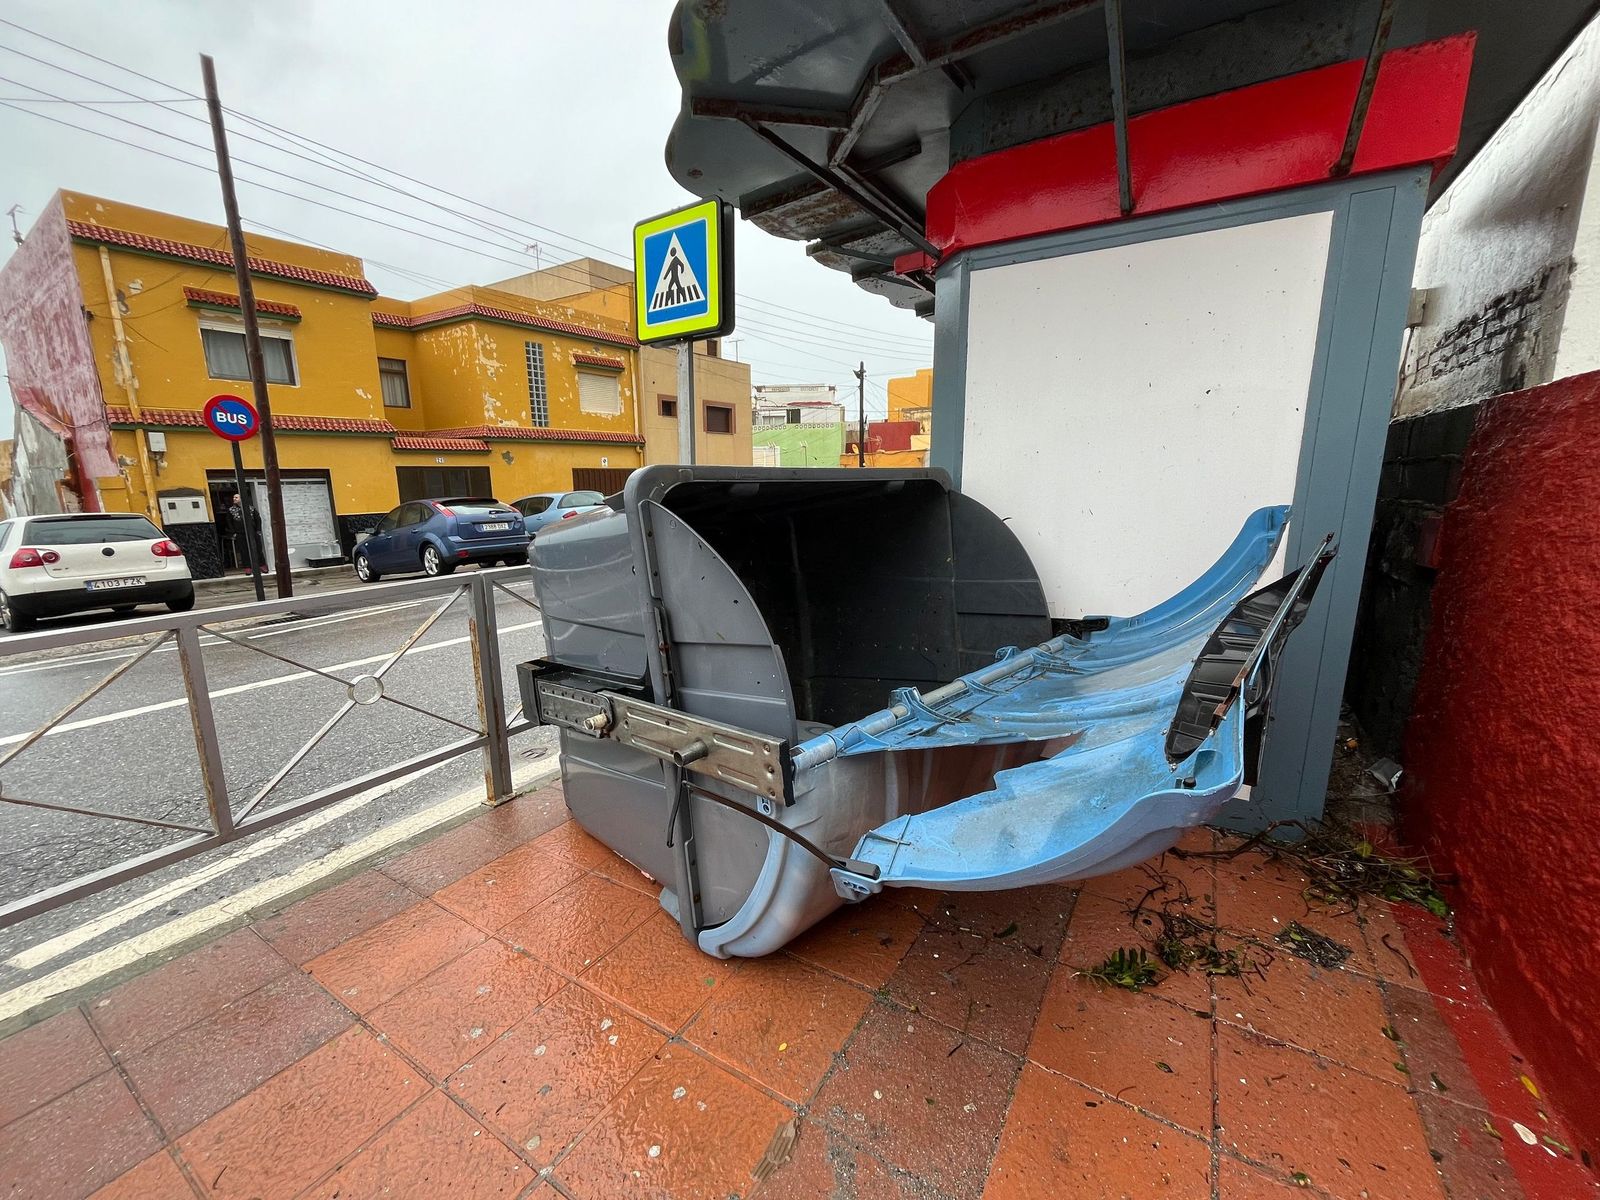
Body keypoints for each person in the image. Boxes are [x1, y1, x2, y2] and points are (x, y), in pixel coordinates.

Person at [226, 491, 263, 571]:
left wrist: (258, 530)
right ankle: (247, 567)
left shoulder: (250, 508)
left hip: (252, 532)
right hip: (240, 533)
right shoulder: (231, 510)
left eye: (236, 497)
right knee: (244, 550)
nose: (234, 499)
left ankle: (261, 564)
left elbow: (258, 519)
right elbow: (229, 522)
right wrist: (234, 532)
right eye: (233, 497)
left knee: (258, 549)